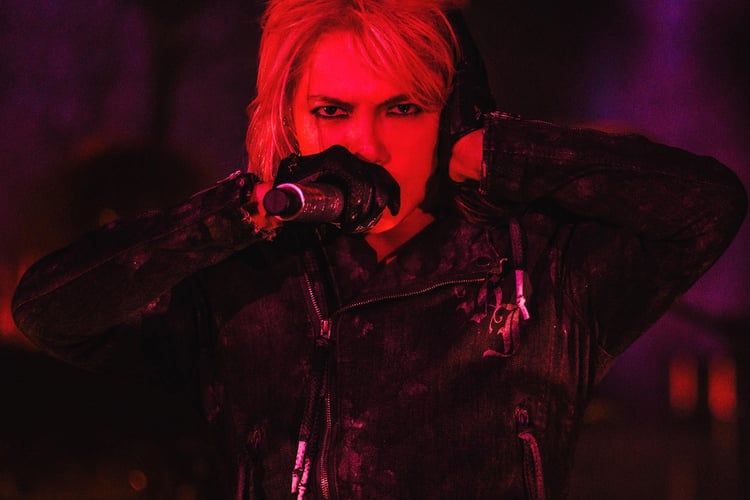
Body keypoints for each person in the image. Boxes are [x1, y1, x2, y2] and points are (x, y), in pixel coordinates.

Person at [12, 0, 746, 498]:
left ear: (451, 118)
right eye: (332, 111)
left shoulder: (545, 270)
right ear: (290, 124)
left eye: (402, 108)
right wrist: (233, 215)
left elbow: (707, 208)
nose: (364, 144)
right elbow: (51, 313)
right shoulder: (239, 281)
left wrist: (504, 153)